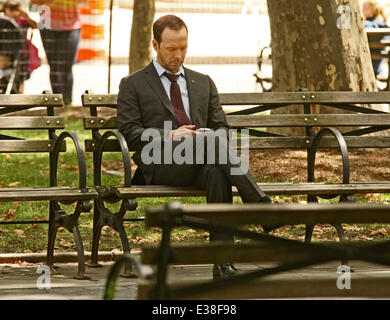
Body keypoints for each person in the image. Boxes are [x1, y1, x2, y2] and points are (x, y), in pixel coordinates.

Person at [117, 14, 279, 279]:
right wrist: (170, 135)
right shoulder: (133, 84)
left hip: (202, 160)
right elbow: (130, 132)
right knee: (211, 142)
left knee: (217, 171)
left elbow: (222, 128)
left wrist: (206, 137)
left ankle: (222, 263)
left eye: (183, 48)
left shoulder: (202, 82)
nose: (178, 55)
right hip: (160, 163)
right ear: (156, 46)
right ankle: (261, 206)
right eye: (171, 49)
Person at [30, 0, 87, 105]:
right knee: (54, 67)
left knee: (67, 67)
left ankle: (67, 103)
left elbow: (84, 2)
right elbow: (34, 1)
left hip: (71, 24)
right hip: (46, 23)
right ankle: (57, 103)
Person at [1, 0, 40, 91]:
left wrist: (26, 16)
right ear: (4, 10)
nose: (14, 13)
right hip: (6, 54)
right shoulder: (2, 22)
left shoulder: (22, 21)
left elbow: (35, 26)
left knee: (20, 79)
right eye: (11, 10)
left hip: (22, 55)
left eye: (17, 10)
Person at [362, 0, 389, 76]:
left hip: (365, 66)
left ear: (369, 11)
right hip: (378, 67)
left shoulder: (364, 25)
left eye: (364, 8)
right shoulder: (384, 26)